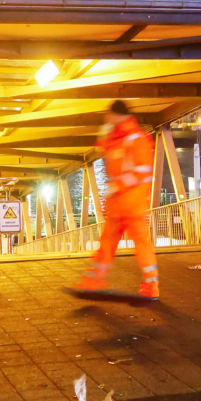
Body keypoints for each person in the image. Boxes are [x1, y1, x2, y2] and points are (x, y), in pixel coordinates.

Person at [76, 100, 159, 299]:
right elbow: (101, 148)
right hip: (119, 203)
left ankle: (150, 287)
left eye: (108, 114)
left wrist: (118, 186)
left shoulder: (136, 138)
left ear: (116, 114)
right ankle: (93, 281)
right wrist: (106, 130)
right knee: (108, 243)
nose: (105, 117)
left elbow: (142, 171)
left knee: (138, 243)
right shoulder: (118, 138)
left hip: (131, 202)